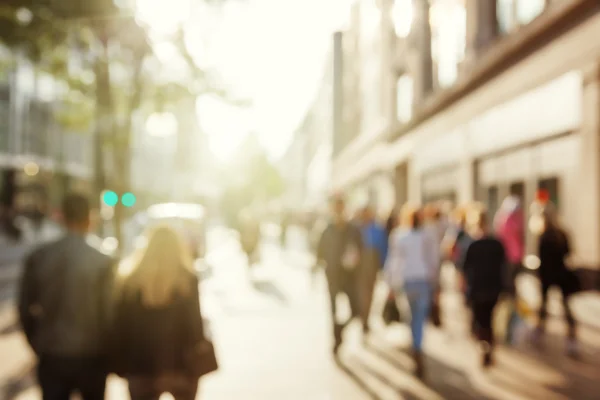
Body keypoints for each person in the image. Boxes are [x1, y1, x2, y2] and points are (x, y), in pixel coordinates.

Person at [18, 193, 115, 400]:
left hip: (52, 350)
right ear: (90, 218)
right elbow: (110, 312)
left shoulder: (40, 256)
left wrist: (36, 340)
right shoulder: (102, 261)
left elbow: (24, 306)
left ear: (61, 217)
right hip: (92, 352)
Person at [112, 224, 216, 399]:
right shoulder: (187, 280)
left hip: (140, 365)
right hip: (180, 364)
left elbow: (120, 327)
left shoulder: (130, 281)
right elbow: (195, 327)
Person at [384, 206, 437, 379]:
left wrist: (390, 283)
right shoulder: (425, 235)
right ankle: (417, 346)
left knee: (411, 316)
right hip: (421, 280)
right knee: (418, 318)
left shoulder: (400, 235)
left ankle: (416, 346)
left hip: (408, 280)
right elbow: (433, 260)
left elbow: (393, 261)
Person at [317, 195, 363, 355]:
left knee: (356, 310)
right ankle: (335, 339)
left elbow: (361, 249)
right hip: (333, 275)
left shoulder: (353, 229)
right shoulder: (326, 229)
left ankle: (340, 329)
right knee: (333, 310)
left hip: (349, 275)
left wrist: (354, 259)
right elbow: (319, 252)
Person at [532, 203, 579, 357]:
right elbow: (568, 253)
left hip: (548, 275)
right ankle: (571, 340)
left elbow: (541, 257)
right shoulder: (561, 233)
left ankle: (539, 333)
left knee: (545, 305)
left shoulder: (544, 235)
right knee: (564, 306)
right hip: (561, 274)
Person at [462, 210, 506, 368]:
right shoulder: (496, 243)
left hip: (478, 288)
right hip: (493, 288)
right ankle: (488, 346)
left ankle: (484, 345)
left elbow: (464, 268)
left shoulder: (471, 244)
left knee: (480, 321)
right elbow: (503, 266)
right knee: (490, 320)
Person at [357, 205, 388, 335]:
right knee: (361, 293)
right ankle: (362, 317)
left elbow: (383, 247)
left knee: (369, 293)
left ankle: (365, 318)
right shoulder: (356, 228)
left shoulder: (377, 229)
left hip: (372, 264)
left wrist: (382, 264)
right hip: (359, 265)